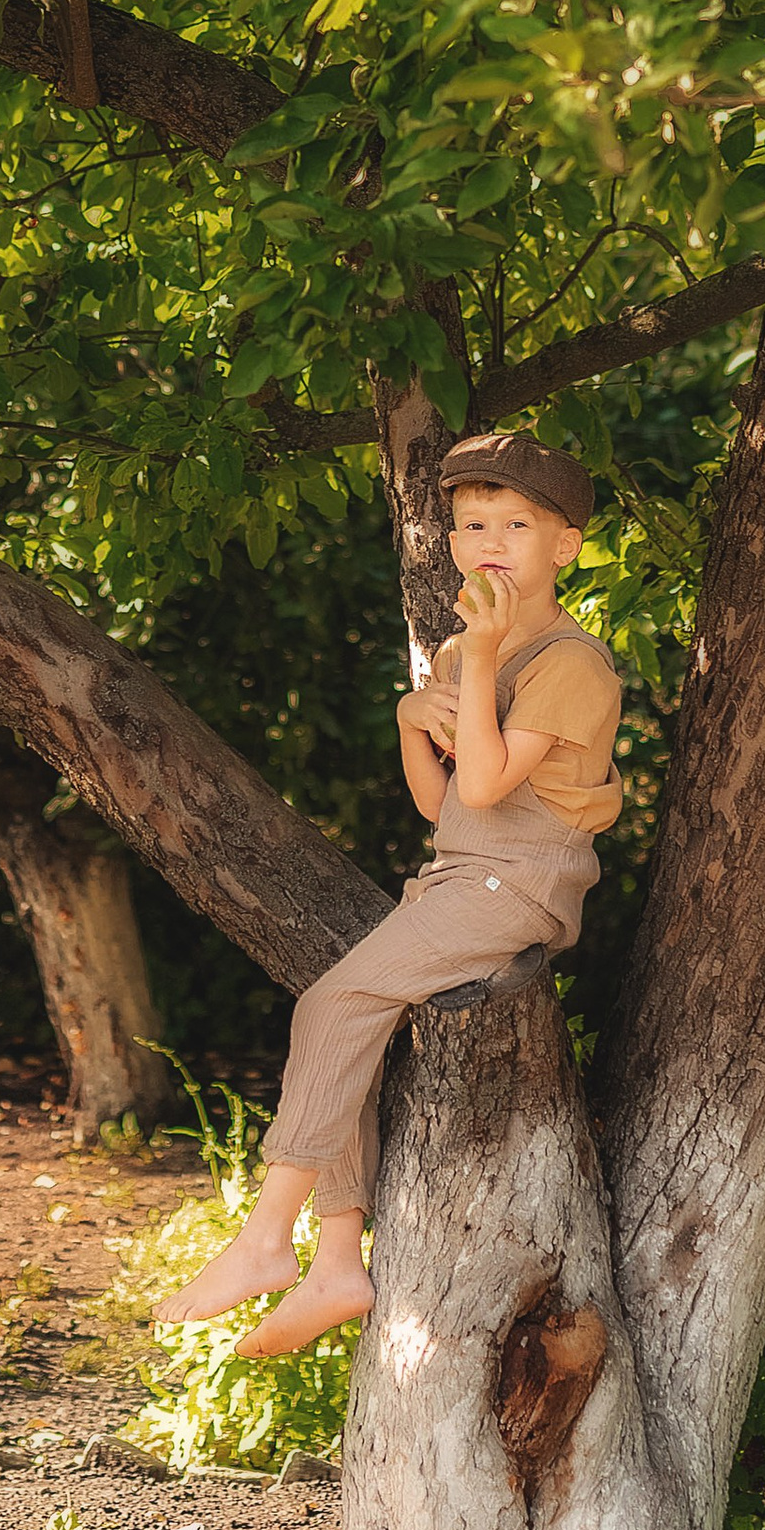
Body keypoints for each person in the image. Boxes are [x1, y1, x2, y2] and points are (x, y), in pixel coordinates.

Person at [152, 429, 622, 1359]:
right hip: (461, 872)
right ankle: (336, 1259)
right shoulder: (460, 657)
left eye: (518, 523)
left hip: (521, 885)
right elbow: (442, 800)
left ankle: (263, 1240)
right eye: (472, 520)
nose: (490, 538)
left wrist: (478, 658)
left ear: (565, 545)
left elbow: (488, 787)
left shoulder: (572, 665)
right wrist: (414, 712)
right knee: (347, 1026)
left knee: (336, 1001)